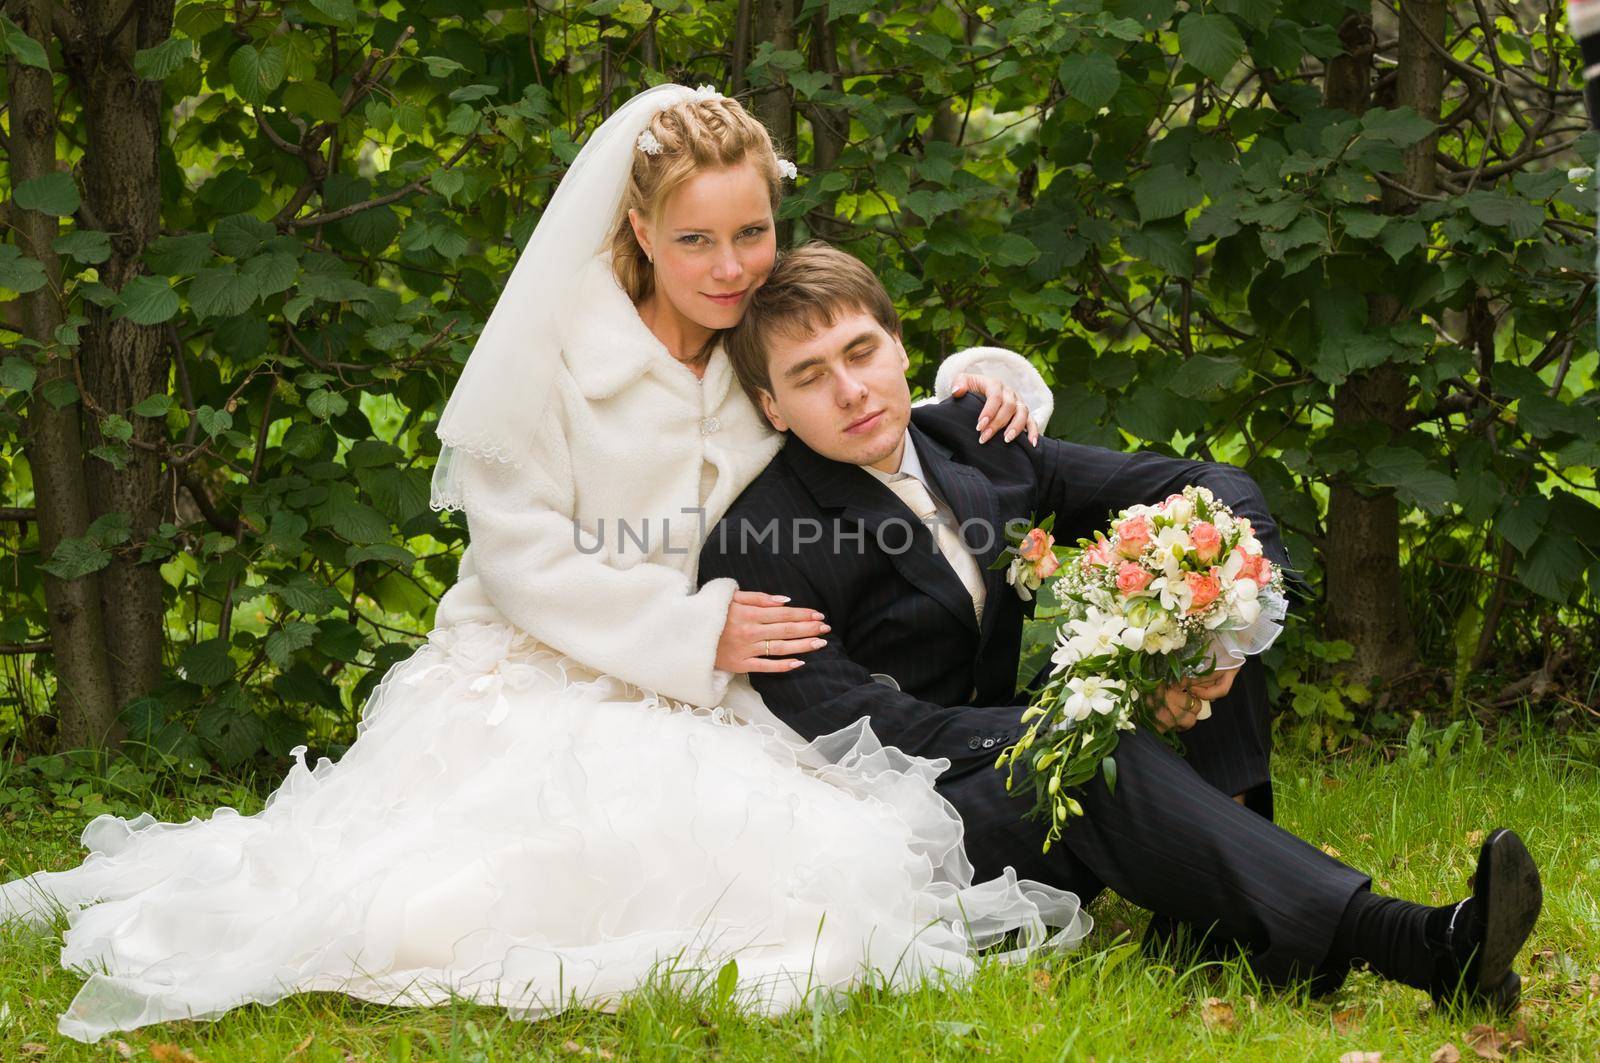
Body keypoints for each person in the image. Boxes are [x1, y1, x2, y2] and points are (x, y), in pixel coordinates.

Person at [0, 85, 1087, 1043]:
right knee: (455, 901)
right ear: (640, 227)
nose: (730, 265)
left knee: (811, 860)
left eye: (749, 232)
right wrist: (687, 633)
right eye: (696, 240)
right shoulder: (560, 347)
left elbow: (857, 380)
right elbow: (518, 559)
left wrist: (981, 382)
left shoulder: (755, 335)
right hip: (548, 664)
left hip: (718, 680)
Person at [698, 243, 1544, 1014]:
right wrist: (1078, 720)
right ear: (771, 405)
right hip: (907, 821)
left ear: (898, 344)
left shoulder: (974, 437)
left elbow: (1209, 483)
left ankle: (1232, 920)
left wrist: (1227, 623)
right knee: (1089, 752)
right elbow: (861, 728)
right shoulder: (763, 535)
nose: (849, 389)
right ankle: (1421, 941)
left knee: (1207, 580)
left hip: (1007, 753)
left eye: (859, 351)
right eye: (809, 376)